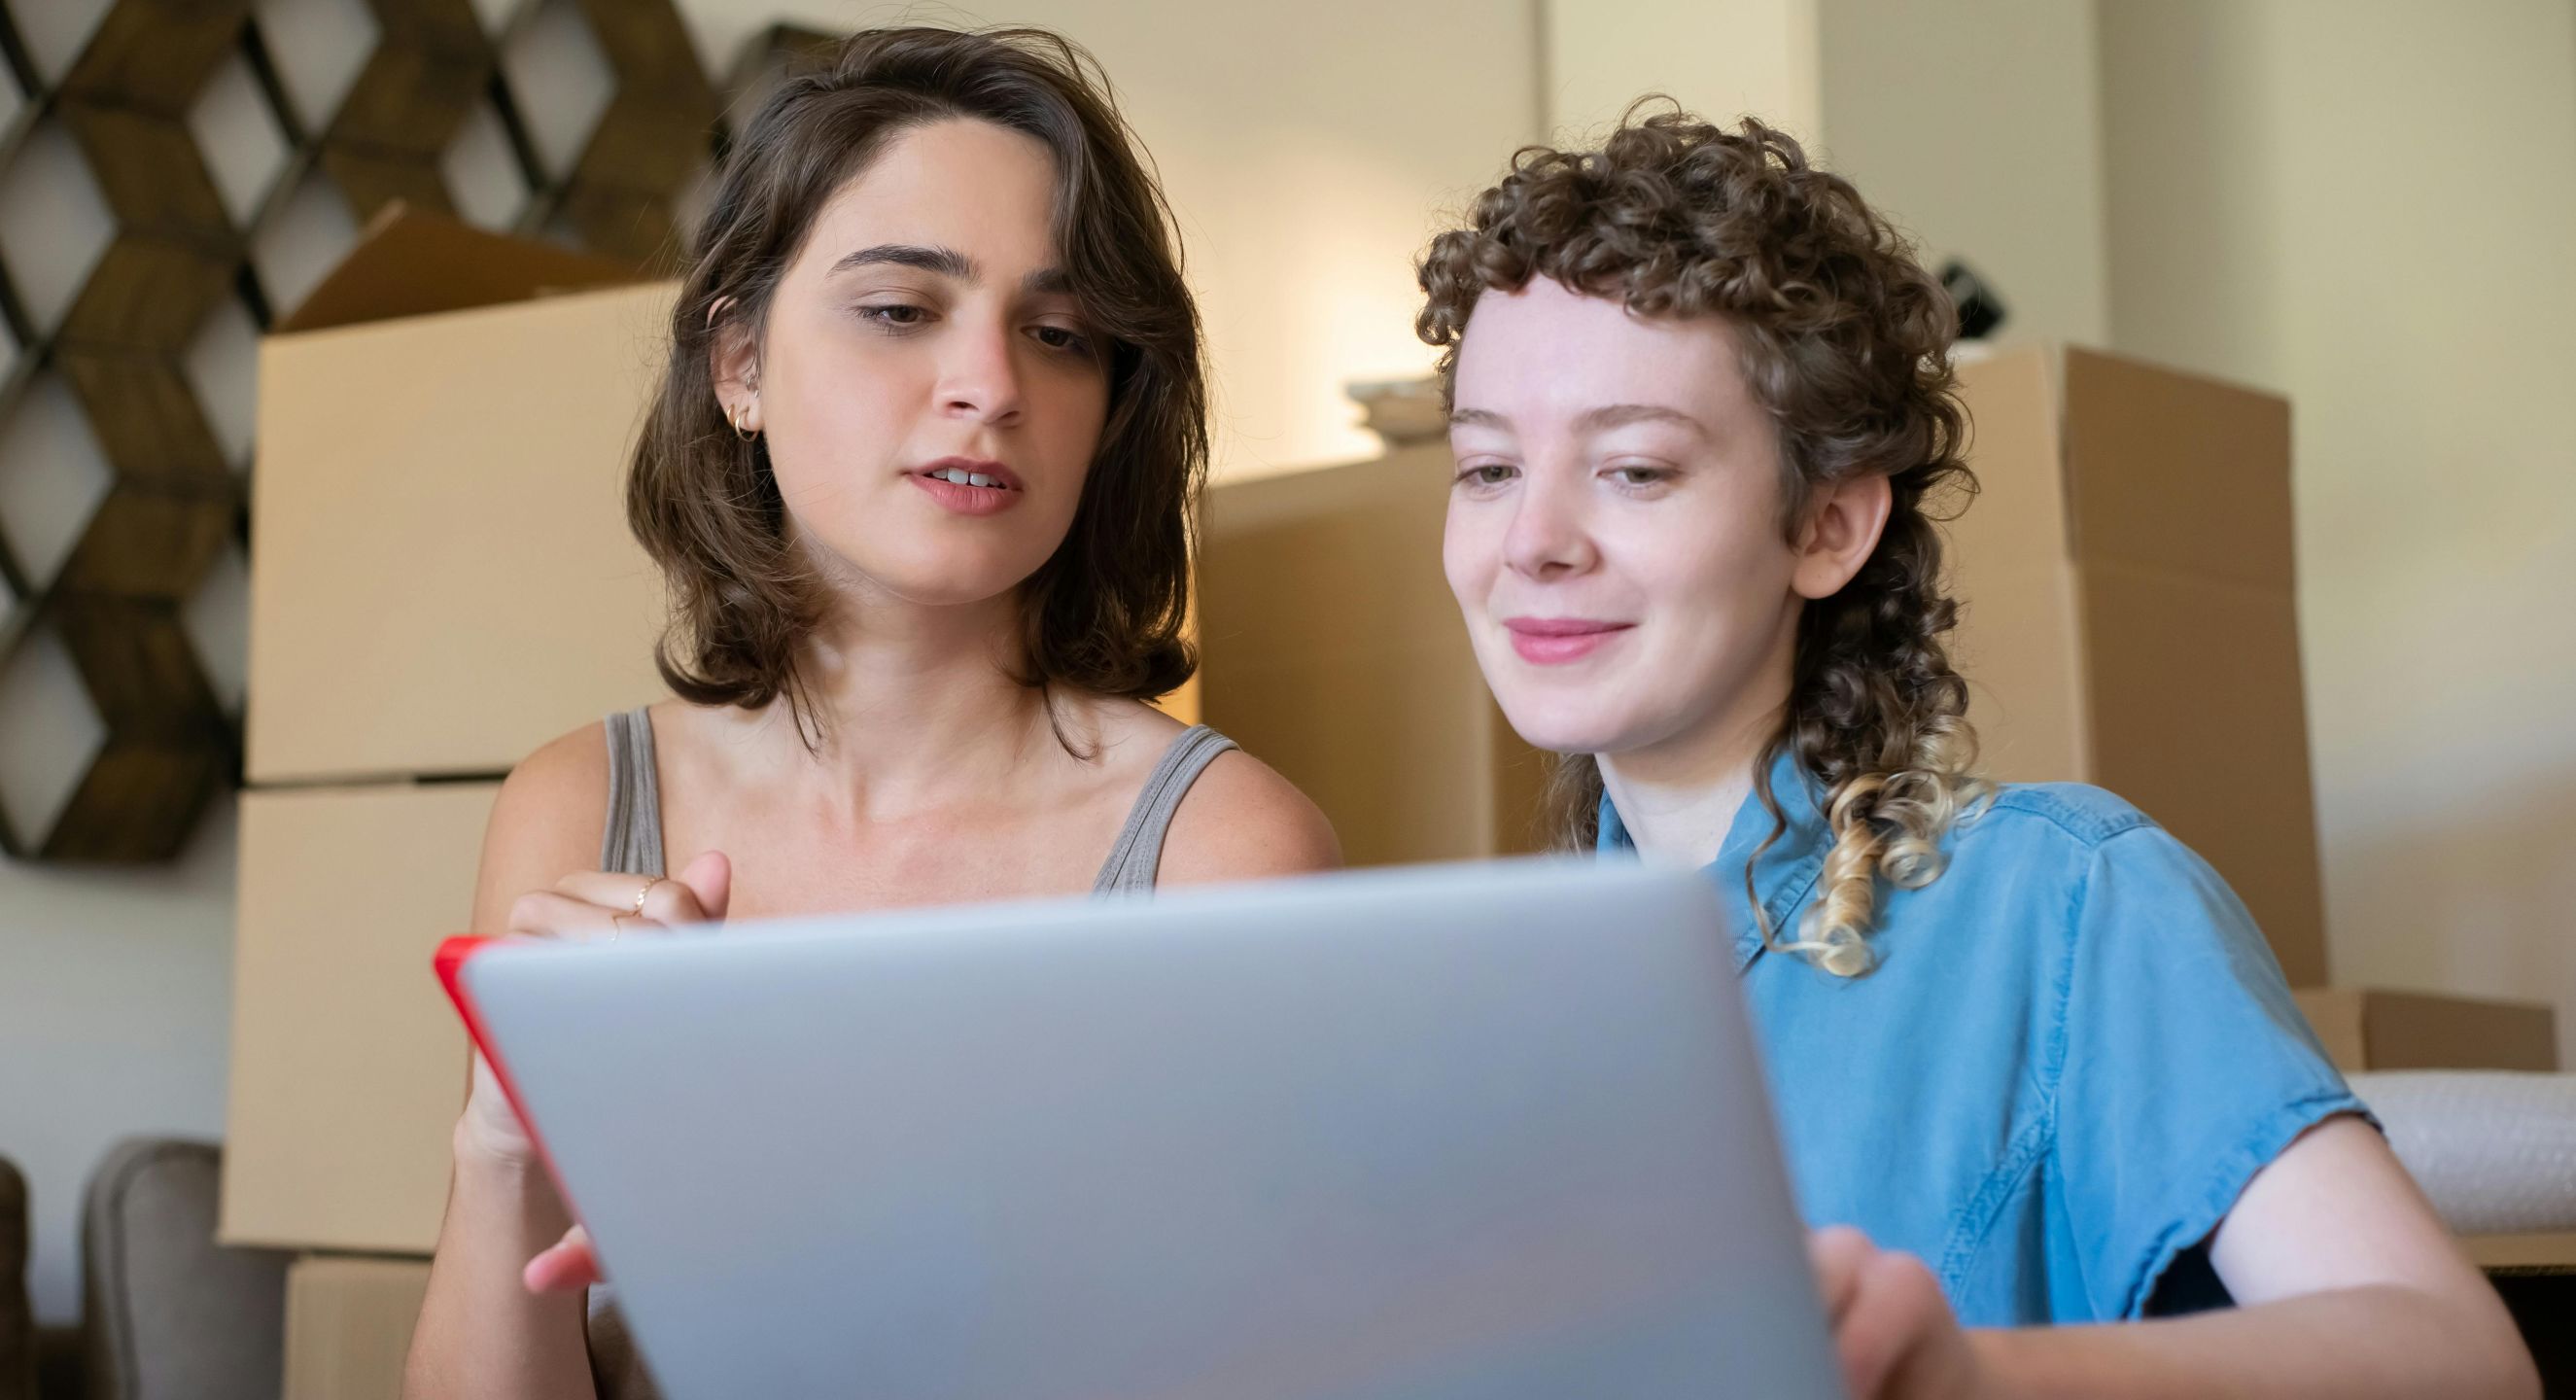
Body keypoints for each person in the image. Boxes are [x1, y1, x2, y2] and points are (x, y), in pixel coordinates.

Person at [1416, 107, 2537, 1400]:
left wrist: (1965, 1377)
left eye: (1634, 470)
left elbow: (2456, 1360)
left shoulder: (2062, 899)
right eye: (1488, 469)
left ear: (1826, 526)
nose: (1531, 543)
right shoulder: (1485, 1001)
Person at [401, 27, 1338, 1400]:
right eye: (901, 309)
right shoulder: (577, 808)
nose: (991, 387)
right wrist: (503, 1149)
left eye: (1059, 333)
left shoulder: (1227, 852)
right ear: (739, 367)